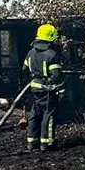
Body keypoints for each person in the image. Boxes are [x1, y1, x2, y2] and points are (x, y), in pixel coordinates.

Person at [20, 23, 64, 151]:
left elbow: (24, 70)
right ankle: (46, 142)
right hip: (48, 90)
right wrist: (59, 87)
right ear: (51, 38)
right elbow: (56, 75)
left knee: (34, 114)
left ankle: (32, 141)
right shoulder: (52, 55)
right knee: (48, 115)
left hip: (35, 87)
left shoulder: (30, 53)